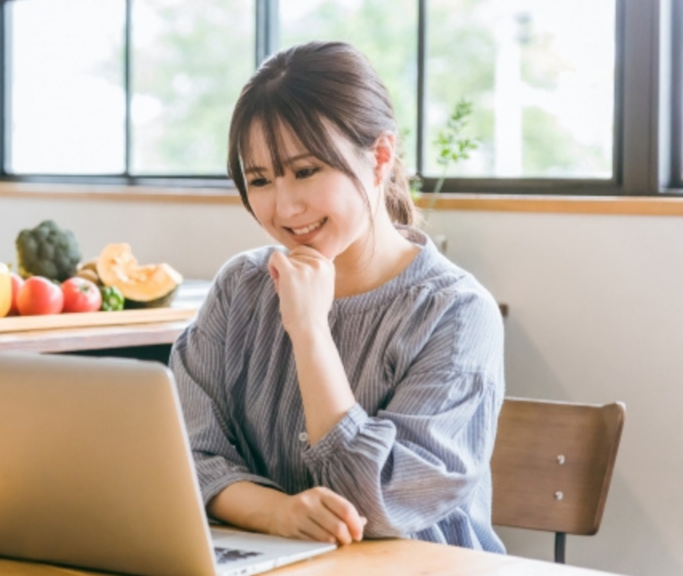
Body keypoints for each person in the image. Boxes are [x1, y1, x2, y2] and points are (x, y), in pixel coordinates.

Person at [169, 41, 505, 553]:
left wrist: (309, 332)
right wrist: (276, 512)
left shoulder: (456, 313)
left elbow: (374, 502)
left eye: (306, 171)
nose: (285, 207)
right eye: (260, 180)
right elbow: (180, 451)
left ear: (380, 158)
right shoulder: (241, 287)